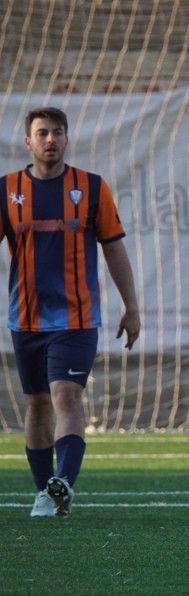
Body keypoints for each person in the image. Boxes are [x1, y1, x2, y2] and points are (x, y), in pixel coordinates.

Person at [0, 106, 141, 518]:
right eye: (42, 132)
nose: (51, 139)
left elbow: (113, 248)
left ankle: (64, 481)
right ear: (28, 141)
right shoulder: (7, 190)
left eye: (57, 132)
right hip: (26, 318)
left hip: (78, 318)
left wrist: (131, 307)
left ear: (66, 138)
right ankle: (45, 491)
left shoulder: (92, 188)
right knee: (38, 403)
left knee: (66, 395)